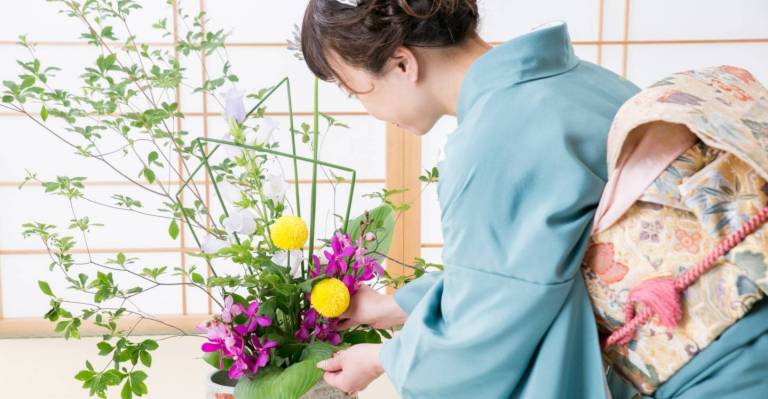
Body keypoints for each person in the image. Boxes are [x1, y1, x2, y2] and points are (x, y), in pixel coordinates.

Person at [301, 0, 640, 397]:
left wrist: (383, 359)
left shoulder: (492, 141)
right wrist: (394, 307)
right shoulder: (587, 81)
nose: (365, 107)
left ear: (402, 64)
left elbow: (483, 337)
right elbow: (523, 270)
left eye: (354, 88)